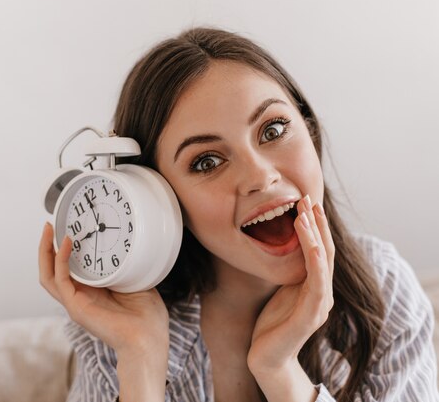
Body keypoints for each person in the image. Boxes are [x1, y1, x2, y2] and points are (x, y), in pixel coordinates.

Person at [38, 27, 439, 401]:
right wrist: (141, 359)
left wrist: (280, 371)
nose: (261, 177)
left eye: (273, 129)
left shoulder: (385, 293)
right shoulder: (119, 331)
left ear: (309, 128)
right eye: (207, 161)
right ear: (158, 195)